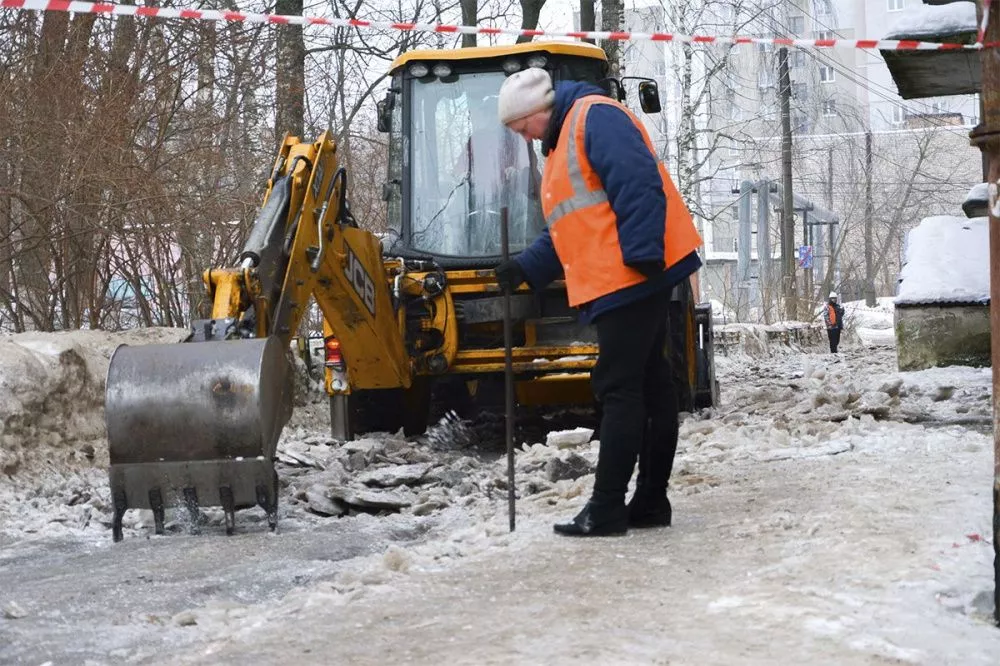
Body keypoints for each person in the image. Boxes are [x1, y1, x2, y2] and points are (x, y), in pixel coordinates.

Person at [492, 67, 703, 537]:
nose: (523, 137)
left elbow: (637, 182)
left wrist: (643, 255)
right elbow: (571, 226)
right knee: (649, 385)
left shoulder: (594, 117)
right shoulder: (562, 143)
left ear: (537, 110)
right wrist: (525, 267)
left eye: (521, 126)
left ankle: (607, 507)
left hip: (631, 275)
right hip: (623, 278)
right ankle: (649, 501)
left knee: (618, 386)